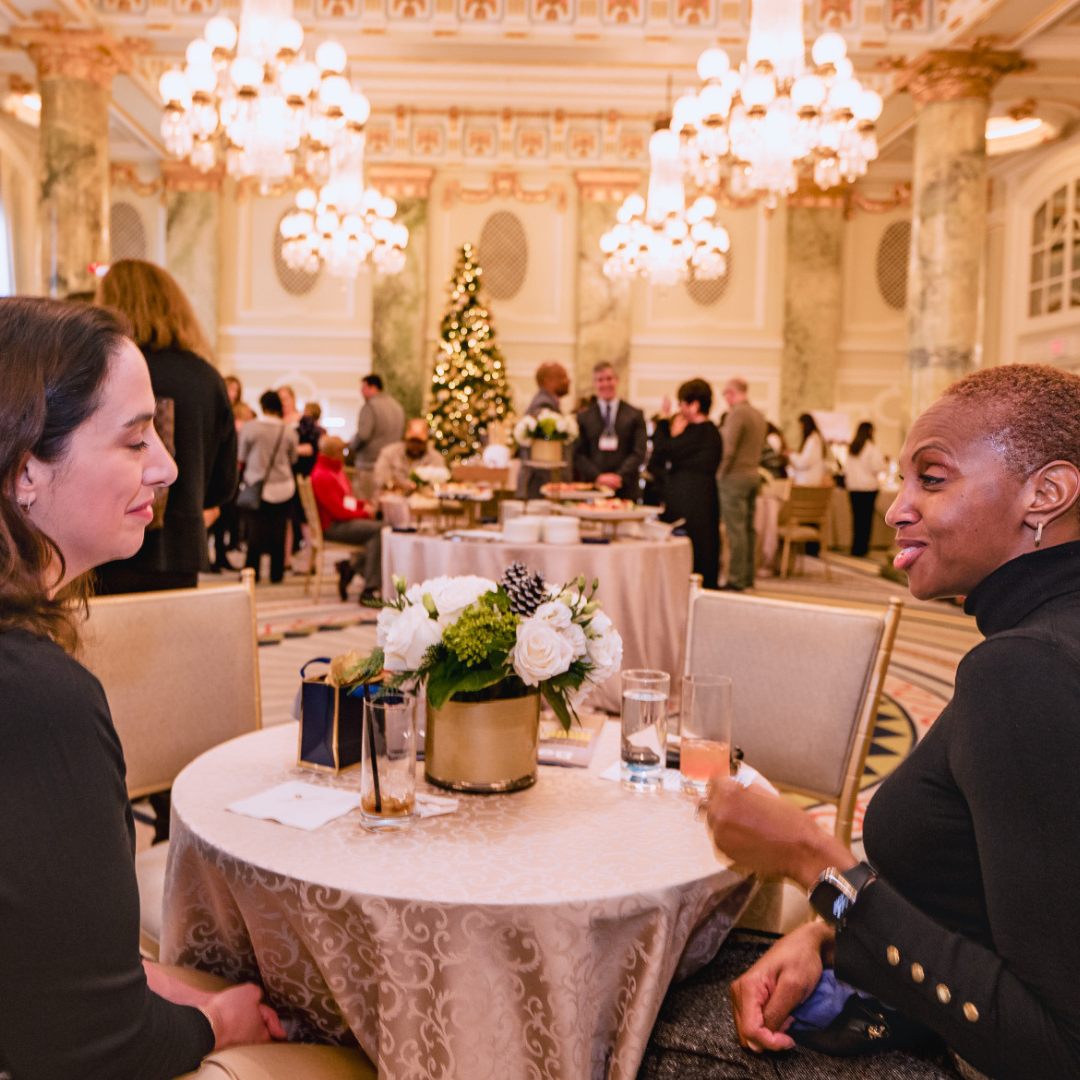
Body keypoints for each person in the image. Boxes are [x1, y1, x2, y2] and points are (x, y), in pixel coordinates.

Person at [642, 364, 1080, 1080]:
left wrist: (815, 864)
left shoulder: (1025, 673)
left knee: (627, 1028)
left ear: (1047, 494)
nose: (894, 509)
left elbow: (1058, 1049)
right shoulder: (1037, 641)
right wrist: (830, 934)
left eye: (932, 480)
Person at [0, 297, 286, 1078]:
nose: (165, 466)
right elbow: (94, 1047)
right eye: (134, 440)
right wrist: (218, 1022)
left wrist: (142, 981)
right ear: (26, 472)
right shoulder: (35, 697)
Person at [92, 259, 237, 594]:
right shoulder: (207, 378)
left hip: (106, 551)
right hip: (180, 552)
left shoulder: (101, 369)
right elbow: (222, 487)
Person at [650, 379, 723, 591]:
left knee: (695, 546)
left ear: (694, 404)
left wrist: (664, 421)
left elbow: (665, 448)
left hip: (692, 499)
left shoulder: (700, 432)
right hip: (699, 496)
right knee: (702, 545)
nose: (680, 408)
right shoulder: (709, 433)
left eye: (682, 403)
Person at [310, 436, 382, 603]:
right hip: (332, 527)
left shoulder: (334, 470)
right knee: (379, 531)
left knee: (381, 529)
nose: (345, 454)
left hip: (339, 521)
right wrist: (365, 513)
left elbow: (344, 501)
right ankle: (369, 590)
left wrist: (363, 505)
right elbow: (339, 512)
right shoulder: (323, 475)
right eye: (343, 450)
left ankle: (351, 568)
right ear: (335, 453)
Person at [238, 390, 298, 584]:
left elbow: (242, 456)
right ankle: (276, 574)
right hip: (284, 486)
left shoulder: (251, 428)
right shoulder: (288, 430)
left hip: (258, 485)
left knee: (255, 531)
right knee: (279, 531)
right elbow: (293, 458)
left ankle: (251, 572)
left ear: (262, 405)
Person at [718, 378, 767, 592]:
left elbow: (728, 448)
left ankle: (736, 579)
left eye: (725, 394)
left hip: (735, 478)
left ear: (731, 393)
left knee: (735, 530)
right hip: (753, 476)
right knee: (748, 530)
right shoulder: (758, 414)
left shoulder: (737, 413)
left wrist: (719, 474)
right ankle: (748, 577)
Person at [572, 362, 648, 497]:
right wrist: (598, 477)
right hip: (594, 488)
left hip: (626, 488)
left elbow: (639, 452)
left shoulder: (634, 414)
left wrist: (619, 477)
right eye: (600, 380)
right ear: (595, 383)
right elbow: (578, 454)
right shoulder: (583, 417)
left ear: (616, 380)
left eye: (609, 378)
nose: (605, 384)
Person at [516, 360, 571, 500]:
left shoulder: (545, 402)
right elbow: (544, 450)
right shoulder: (543, 406)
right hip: (540, 486)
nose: (568, 380)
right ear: (548, 380)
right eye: (563, 377)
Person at [348, 374, 405, 501]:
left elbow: (363, 435)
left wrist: (351, 445)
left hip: (369, 467)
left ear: (373, 388)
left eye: (363, 388)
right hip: (392, 469)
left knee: (366, 504)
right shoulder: (397, 407)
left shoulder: (370, 407)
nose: (361, 392)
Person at [846, 421, 888, 558]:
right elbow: (876, 468)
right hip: (868, 487)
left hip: (853, 487)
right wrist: (885, 462)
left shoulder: (852, 448)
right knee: (866, 520)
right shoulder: (871, 448)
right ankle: (863, 548)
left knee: (857, 519)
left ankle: (855, 547)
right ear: (870, 431)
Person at [373, 418, 447, 492]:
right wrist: (393, 484)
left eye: (419, 442)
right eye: (413, 441)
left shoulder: (436, 458)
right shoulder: (389, 453)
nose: (415, 446)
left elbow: (440, 484)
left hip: (422, 501)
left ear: (426, 442)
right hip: (391, 500)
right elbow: (379, 478)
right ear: (406, 439)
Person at [788, 412, 829, 485]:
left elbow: (804, 462)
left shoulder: (813, 440)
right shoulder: (814, 439)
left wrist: (791, 455)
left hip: (808, 480)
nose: (800, 430)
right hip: (810, 479)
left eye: (801, 427)